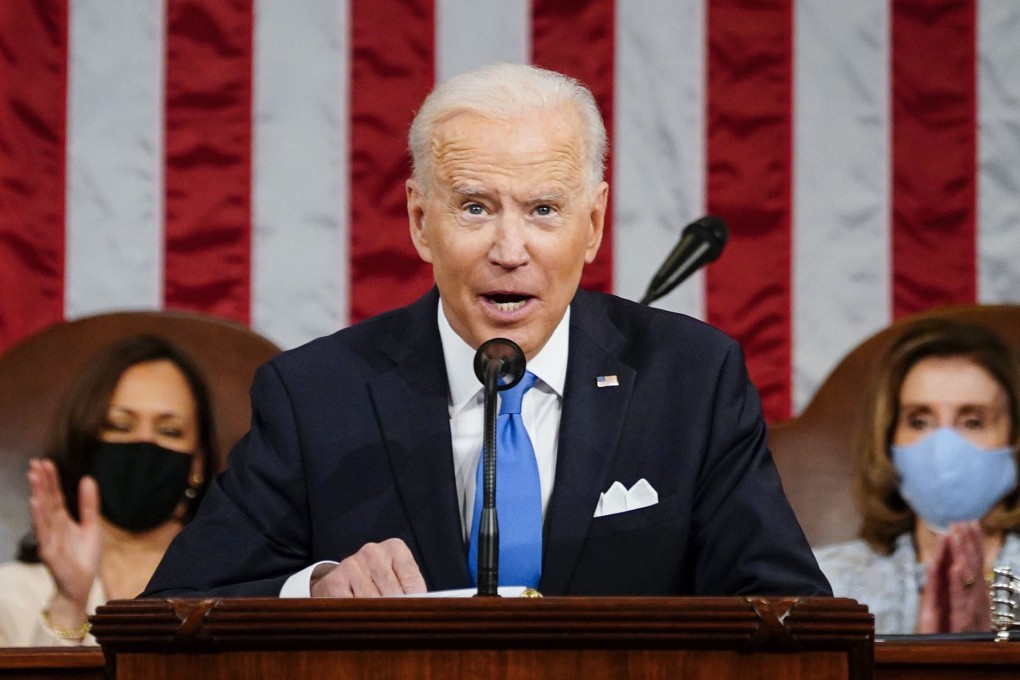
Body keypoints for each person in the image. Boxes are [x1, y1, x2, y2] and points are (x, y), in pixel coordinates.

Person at [144, 62, 829, 599]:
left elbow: (785, 609)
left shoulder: (689, 380)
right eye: (475, 207)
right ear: (420, 221)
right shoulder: (317, 395)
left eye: (542, 209)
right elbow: (177, 608)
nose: (509, 248)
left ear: (591, 225)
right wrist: (315, 589)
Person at [0, 335, 218, 646]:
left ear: (197, 464)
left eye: (169, 431)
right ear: (85, 447)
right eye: (120, 426)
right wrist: (68, 606)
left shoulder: (231, 589)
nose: (144, 444)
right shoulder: (9, 595)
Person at [814, 318, 1020, 635]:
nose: (944, 449)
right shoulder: (827, 588)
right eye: (920, 421)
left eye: (973, 421)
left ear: (1013, 439)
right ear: (888, 438)